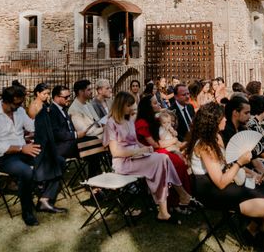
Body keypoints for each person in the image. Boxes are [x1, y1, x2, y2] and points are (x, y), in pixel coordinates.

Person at [184, 102, 264, 251]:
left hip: (225, 182)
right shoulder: (205, 145)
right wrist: (240, 163)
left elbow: (228, 166)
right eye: (222, 118)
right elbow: (221, 182)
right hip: (211, 191)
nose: (225, 120)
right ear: (214, 121)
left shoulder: (216, 137)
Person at [104, 91, 192, 223]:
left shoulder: (128, 120)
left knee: (163, 159)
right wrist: (138, 151)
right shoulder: (111, 123)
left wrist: (145, 149)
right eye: (129, 106)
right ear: (121, 105)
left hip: (137, 157)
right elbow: (115, 152)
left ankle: (166, 209)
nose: (133, 109)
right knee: (161, 160)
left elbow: (135, 142)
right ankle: (179, 196)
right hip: (123, 162)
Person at [0, 84, 57, 226]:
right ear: (7, 101)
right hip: (4, 158)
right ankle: (27, 213)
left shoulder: (19, 111)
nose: (19, 106)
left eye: (21, 103)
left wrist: (44, 116)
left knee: (55, 160)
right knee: (25, 172)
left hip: (23, 150)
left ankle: (44, 199)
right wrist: (21, 148)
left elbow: (31, 126)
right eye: (17, 104)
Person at [135, 94, 192, 212]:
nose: (159, 104)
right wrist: (174, 141)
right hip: (147, 153)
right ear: (148, 107)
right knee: (177, 163)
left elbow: (166, 127)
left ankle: (183, 198)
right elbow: (154, 144)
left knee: (182, 160)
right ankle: (176, 200)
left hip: (157, 149)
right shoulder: (142, 123)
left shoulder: (153, 118)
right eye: (155, 103)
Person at [49, 85, 84, 159]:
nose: (68, 99)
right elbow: (56, 134)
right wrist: (75, 135)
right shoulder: (52, 111)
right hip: (60, 147)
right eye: (66, 97)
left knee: (94, 141)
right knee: (92, 142)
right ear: (56, 97)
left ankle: (96, 169)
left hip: (69, 143)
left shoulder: (62, 108)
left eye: (69, 96)